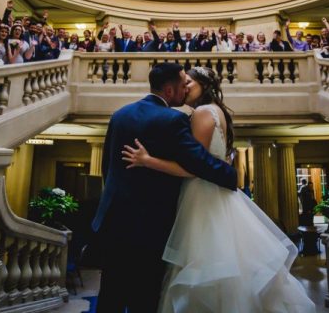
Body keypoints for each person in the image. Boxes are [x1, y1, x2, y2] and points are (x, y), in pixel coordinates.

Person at [122, 67, 315, 313]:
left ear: (204, 85)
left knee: (205, 266)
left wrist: (148, 160)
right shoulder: (216, 111)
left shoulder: (203, 113)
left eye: (189, 82)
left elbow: (194, 168)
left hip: (202, 196)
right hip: (213, 194)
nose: (186, 87)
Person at [92, 63, 238, 313]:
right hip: (151, 226)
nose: (185, 89)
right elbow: (198, 163)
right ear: (170, 91)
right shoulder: (173, 119)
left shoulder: (120, 115)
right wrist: (230, 173)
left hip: (114, 221)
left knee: (111, 295)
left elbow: (108, 168)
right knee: (145, 297)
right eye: (183, 85)